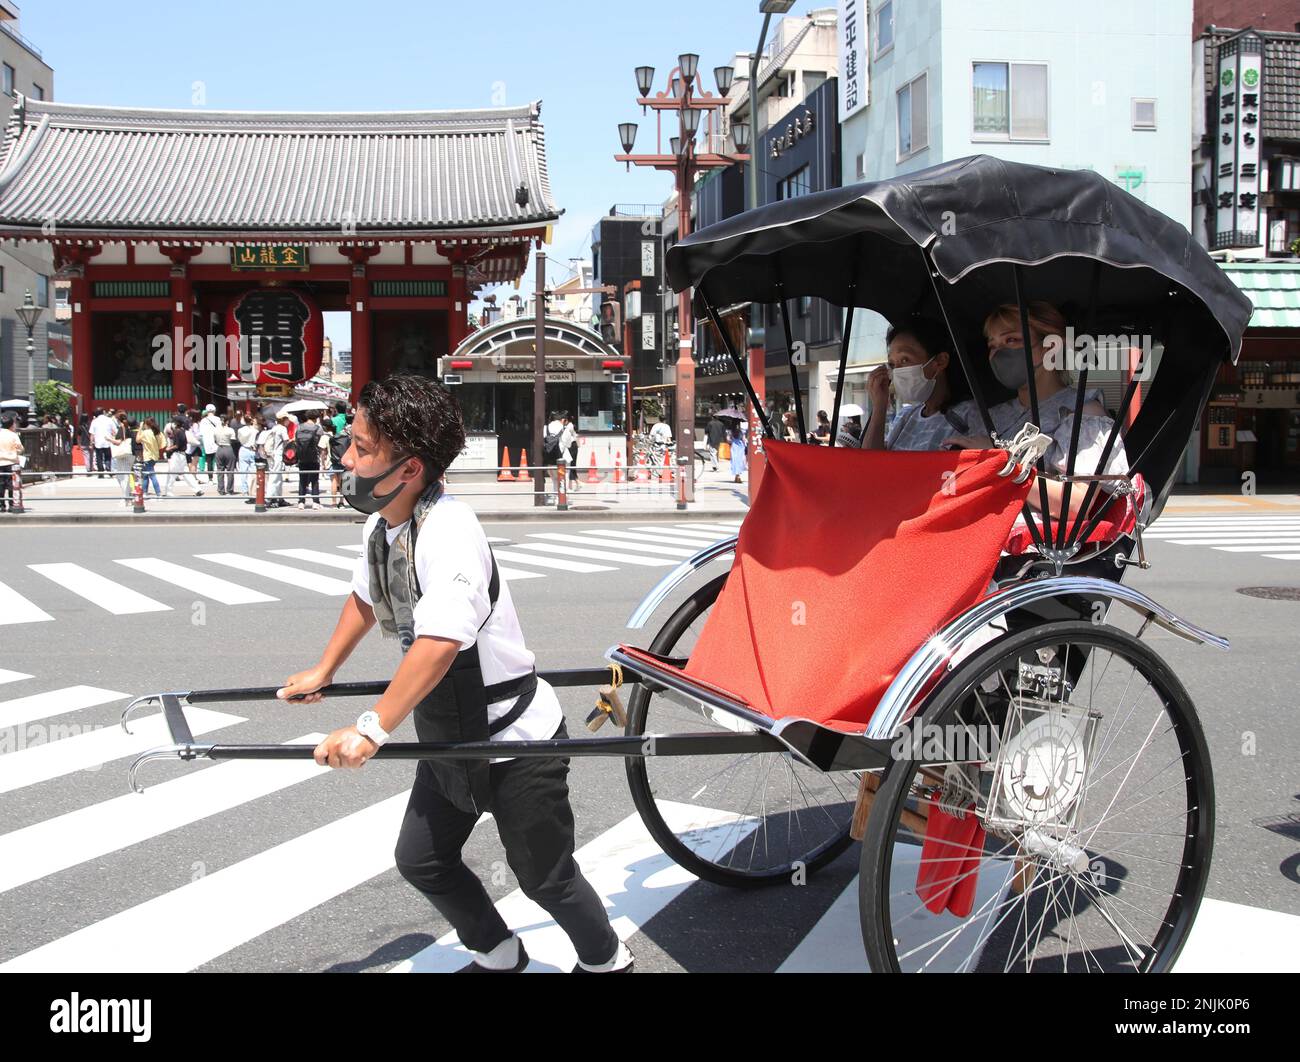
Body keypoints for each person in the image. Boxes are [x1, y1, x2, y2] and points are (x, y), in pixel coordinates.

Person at [275, 373, 632, 974]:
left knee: (545, 878)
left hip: (516, 741)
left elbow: (439, 644)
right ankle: (498, 952)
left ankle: (606, 959)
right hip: (449, 733)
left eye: (361, 448)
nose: (344, 456)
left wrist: (370, 727)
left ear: (410, 468)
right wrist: (324, 668)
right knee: (422, 860)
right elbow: (367, 598)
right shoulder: (384, 525)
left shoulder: (450, 529)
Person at [943, 301, 1129, 520]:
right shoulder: (988, 417)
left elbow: (1076, 504)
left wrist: (1002, 462)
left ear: (1050, 347)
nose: (997, 353)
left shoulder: (1081, 413)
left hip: (1034, 544)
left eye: (1011, 340)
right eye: (992, 345)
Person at [861, 318, 974, 451]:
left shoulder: (971, 415)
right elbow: (870, 463)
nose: (897, 371)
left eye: (905, 359)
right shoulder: (906, 416)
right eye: (892, 364)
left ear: (940, 361)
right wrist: (879, 406)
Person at [294, 409, 325, 509]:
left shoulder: (299, 427)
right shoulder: (318, 428)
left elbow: (296, 441)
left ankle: (301, 502)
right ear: (316, 418)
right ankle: (315, 502)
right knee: (314, 480)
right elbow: (321, 442)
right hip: (314, 457)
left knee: (302, 480)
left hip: (302, 457)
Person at [135, 418, 165, 497]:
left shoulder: (145, 433)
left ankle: (158, 492)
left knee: (151, 475)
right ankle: (145, 492)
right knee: (145, 475)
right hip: (155, 456)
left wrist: (140, 428)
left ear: (146, 424)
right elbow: (163, 445)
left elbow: (137, 440)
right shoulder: (158, 432)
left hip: (147, 456)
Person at [326, 413, 351, 507]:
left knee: (334, 482)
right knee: (343, 483)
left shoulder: (331, 439)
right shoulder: (346, 437)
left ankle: (333, 502)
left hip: (333, 462)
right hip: (343, 462)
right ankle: (342, 502)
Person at [0, 414, 22, 513]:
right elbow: (20, 449)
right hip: (11, 462)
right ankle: (12, 505)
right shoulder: (13, 435)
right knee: (12, 485)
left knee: (0, 485)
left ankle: (1, 505)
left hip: (0, 462)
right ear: (11, 425)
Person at [214, 414, 238, 496]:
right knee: (230, 470)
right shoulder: (230, 430)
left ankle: (221, 489)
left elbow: (214, 440)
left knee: (220, 470)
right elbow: (233, 440)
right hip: (228, 448)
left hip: (219, 449)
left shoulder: (216, 429)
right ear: (227, 421)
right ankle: (230, 489)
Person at [236, 413, 260, 497]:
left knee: (243, 471)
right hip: (252, 449)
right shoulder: (255, 430)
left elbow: (239, 439)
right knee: (254, 472)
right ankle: (253, 490)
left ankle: (244, 490)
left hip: (243, 449)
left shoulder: (240, 430)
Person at [89, 408, 115, 478]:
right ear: (103, 412)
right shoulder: (109, 420)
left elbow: (92, 434)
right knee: (108, 456)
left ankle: (101, 472)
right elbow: (114, 431)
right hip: (108, 441)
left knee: (99, 458)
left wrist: (91, 443)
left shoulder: (94, 421)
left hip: (98, 442)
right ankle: (108, 467)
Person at [726, 418, 747, 483]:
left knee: (734, 461)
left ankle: (736, 476)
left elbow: (728, 439)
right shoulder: (741, 431)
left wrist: (732, 441)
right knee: (740, 460)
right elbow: (744, 439)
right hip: (740, 447)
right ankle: (738, 476)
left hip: (734, 446)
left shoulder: (730, 431)